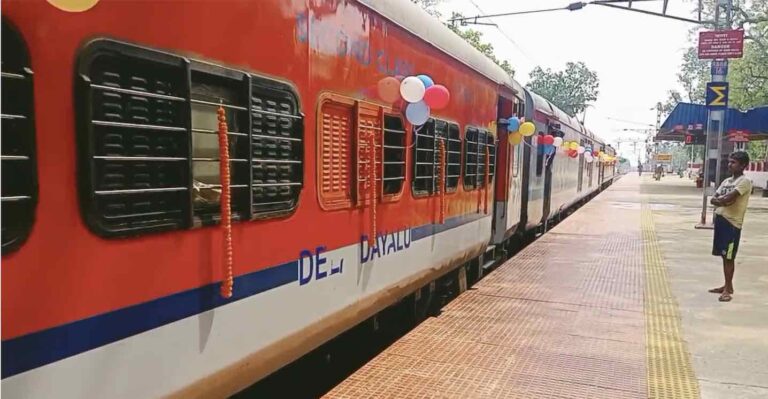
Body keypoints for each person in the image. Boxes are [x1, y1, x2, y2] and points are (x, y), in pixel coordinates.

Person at [708, 151, 752, 302]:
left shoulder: (744, 182)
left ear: (743, 165)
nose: (730, 165)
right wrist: (722, 201)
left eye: (733, 162)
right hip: (721, 221)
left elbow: (728, 197)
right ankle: (728, 285)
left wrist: (722, 200)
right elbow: (714, 199)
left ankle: (727, 290)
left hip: (732, 224)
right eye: (729, 162)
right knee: (723, 254)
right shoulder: (727, 181)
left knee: (729, 256)